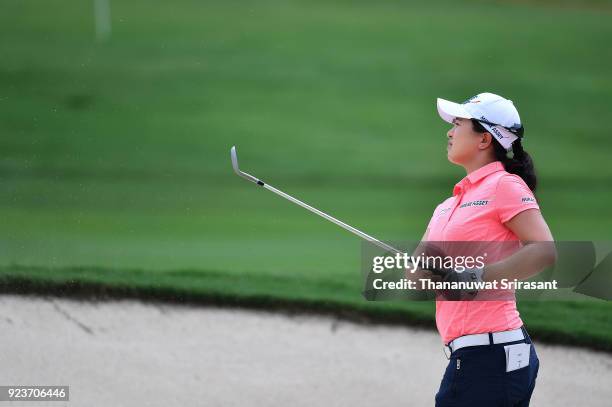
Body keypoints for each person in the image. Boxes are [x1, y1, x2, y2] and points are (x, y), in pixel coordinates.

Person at [420, 92, 556, 406]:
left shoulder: (504, 185)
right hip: (476, 356)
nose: (449, 132)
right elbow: (419, 278)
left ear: (484, 139)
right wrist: (429, 272)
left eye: (458, 124)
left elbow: (544, 250)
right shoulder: (446, 206)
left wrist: (475, 276)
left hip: (492, 356)